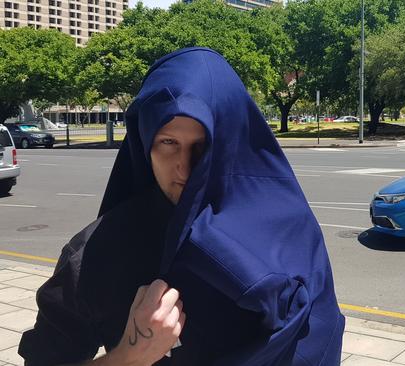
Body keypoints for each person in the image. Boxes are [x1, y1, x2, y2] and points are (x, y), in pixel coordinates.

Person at [18, 47, 345, 365]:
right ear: (145, 144)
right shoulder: (98, 251)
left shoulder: (289, 229)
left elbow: (323, 333)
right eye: (168, 143)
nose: (185, 169)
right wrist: (129, 357)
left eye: (202, 146)